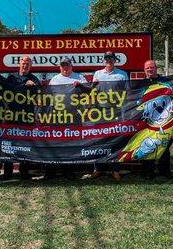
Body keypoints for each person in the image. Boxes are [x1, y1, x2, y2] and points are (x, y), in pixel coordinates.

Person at [46, 57, 87, 180]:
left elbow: (91, 91)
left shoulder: (79, 77)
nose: (65, 67)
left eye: (67, 65)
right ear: (60, 67)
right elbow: (47, 97)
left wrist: (81, 86)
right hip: (57, 118)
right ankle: (51, 171)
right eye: (63, 65)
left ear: (71, 65)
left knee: (70, 145)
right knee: (54, 144)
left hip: (74, 118)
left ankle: (68, 171)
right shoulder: (54, 79)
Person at [90, 51, 129, 181]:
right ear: (103, 60)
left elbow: (128, 93)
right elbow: (92, 91)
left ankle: (115, 169)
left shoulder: (122, 74)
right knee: (99, 139)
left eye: (111, 58)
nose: (109, 61)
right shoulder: (97, 74)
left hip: (116, 112)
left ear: (115, 60)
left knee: (116, 140)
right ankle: (98, 168)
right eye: (107, 58)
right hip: (101, 112)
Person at [6, 55, 40, 180]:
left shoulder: (34, 78)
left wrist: (34, 86)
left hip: (27, 116)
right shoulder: (11, 77)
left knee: (26, 144)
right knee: (9, 144)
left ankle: (24, 171)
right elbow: (6, 91)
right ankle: (8, 172)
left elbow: (39, 96)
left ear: (30, 65)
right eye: (23, 63)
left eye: (27, 63)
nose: (25, 65)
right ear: (19, 63)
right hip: (12, 115)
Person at [140, 59, 173, 179]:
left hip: (163, 121)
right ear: (144, 70)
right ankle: (148, 171)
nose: (150, 70)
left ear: (156, 68)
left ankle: (164, 170)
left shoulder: (166, 81)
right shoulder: (140, 84)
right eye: (147, 68)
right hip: (147, 121)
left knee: (165, 144)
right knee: (146, 145)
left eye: (152, 67)